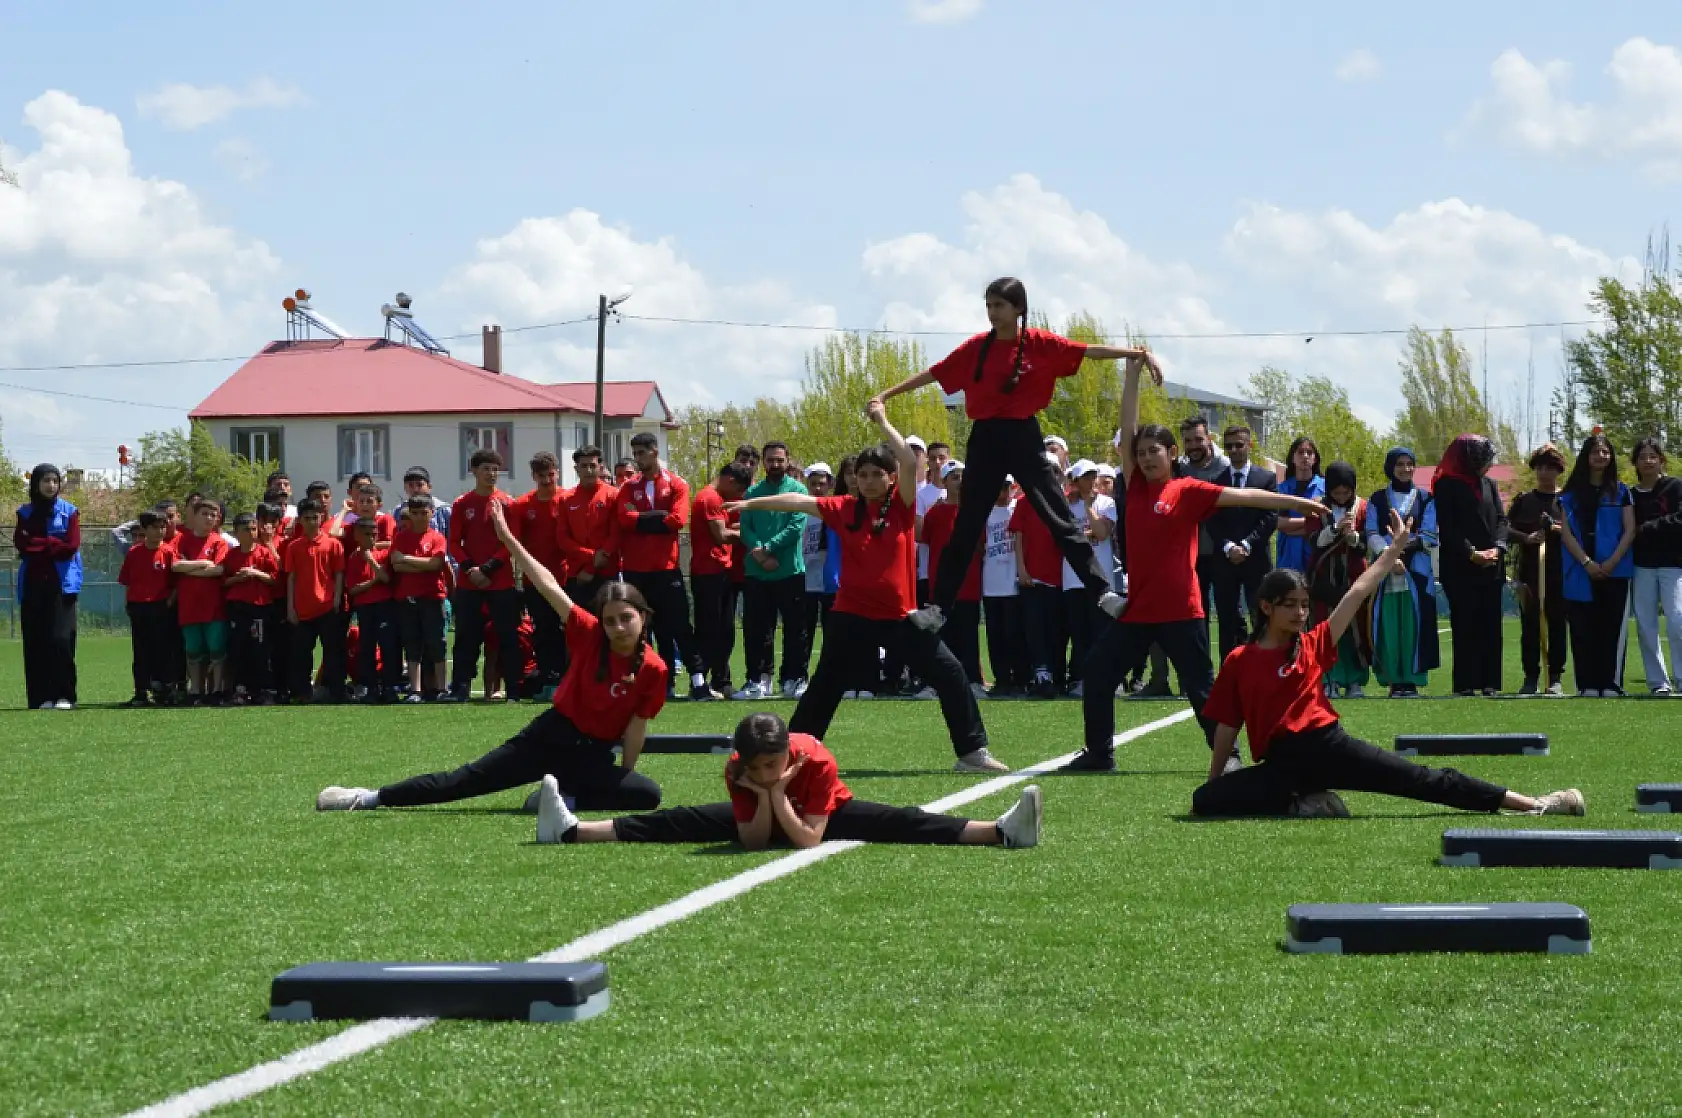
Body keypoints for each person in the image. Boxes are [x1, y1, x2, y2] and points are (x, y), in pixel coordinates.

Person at [1190, 509, 1585, 819]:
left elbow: (1358, 591)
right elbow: (1227, 726)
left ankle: (1535, 803)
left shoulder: (1314, 643)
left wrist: (1394, 549)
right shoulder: (1240, 660)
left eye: (1305, 605)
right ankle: (1305, 802)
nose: (1300, 614)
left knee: (1424, 780)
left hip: (1329, 748)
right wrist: (1213, 786)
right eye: (1289, 606)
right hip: (1283, 765)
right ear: (1266, 607)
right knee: (1203, 801)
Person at [1065, 358, 1329, 772]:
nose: (1148, 458)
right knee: (1099, 671)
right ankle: (1099, 754)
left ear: (1172, 454)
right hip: (1140, 611)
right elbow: (1127, 419)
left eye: (1156, 451)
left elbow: (1249, 499)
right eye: (1141, 453)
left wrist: (1301, 503)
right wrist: (1132, 372)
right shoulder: (1132, 485)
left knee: (1202, 690)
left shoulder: (1186, 489)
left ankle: (1232, 760)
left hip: (1182, 611)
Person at [317, 500, 665, 814]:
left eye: (626, 618)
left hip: (593, 755)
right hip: (552, 735)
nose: (618, 627)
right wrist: (510, 541)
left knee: (647, 795)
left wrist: (623, 777)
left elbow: (636, 728)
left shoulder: (654, 668)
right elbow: (546, 584)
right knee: (464, 781)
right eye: (610, 620)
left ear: (643, 617)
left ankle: (561, 797)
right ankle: (369, 797)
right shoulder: (589, 632)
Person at [730, 401, 1009, 774]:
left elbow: (910, 463)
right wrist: (751, 505)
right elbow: (798, 500)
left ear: (891, 478)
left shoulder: (902, 508)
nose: (868, 481)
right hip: (851, 615)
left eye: (877, 474)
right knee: (825, 686)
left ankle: (972, 753)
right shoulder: (844, 507)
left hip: (899, 617)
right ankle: (790, 753)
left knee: (951, 673)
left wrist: (882, 421)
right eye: (862, 475)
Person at [872, 278, 1152, 637]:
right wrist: (886, 395)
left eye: (999, 306)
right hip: (986, 438)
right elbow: (934, 373)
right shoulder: (977, 348)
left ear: (1018, 308)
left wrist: (1133, 354)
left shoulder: (1039, 343)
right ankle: (938, 609)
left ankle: (1103, 593)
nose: (992, 312)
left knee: (1060, 518)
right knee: (966, 526)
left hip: (1024, 435)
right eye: (988, 305)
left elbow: (1086, 351)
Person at [532, 712, 1042, 849]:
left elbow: (809, 839)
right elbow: (755, 841)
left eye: (773, 766)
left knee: (903, 821)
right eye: (757, 767)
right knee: (676, 821)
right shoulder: (739, 771)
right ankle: (572, 830)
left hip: (826, 814)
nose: (766, 772)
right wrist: (766, 791)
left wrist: (775, 791)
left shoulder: (815, 759)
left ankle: (1000, 831)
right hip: (767, 813)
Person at [615, 432, 699, 692]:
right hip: (635, 571)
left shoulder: (676, 484)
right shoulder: (629, 487)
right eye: (635, 453)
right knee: (641, 629)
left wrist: (641, 520)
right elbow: (624, 519)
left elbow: (677, 520)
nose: (638, 458)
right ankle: (658, 682)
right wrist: (657, 518)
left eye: (642, 452)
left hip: (666, 569)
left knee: (678, 625)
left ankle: (698, 680)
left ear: (654, 451)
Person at [1559, 432, 1636, 697]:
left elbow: (1629, 530)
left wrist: (1613, 561)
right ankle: (1587, 684)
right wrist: (1587, 562)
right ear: (1586, 457)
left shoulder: (1622, 491)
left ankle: (1610, 683)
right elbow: (1566, 533)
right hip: (1579, 571)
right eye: (1595, 452)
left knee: (1612, 627)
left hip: (1616, 570)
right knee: (1582, 628)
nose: (1601, 456)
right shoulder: (1569, 495)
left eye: (1605, 452)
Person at [1433, 434, 1509, 695]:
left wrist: (1498, 548)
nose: (1488, 464)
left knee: (1490, 625)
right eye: (1483, 459)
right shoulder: (1446, 486)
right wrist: (1472, 553)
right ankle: (1465, 684)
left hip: (1492, 566)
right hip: (1460, 567)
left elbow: (1501, 519)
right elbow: (1449, 527)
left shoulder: (1490, 484)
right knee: (1465, 625)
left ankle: (1490, 683)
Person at [446, 449, 521, 702]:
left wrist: (487, 569)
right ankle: (460, 689)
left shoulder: (507, 503)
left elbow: (510, 543)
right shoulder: (462, 504)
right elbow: (454, 542)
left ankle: (514, 690)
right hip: (470, 583)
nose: (491, 473)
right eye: (486, 468)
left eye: (495, 469)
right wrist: (470, 569)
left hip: (500, 582)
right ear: (474, 471)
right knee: (466, 637)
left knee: (508, 636)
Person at [1366, 447, 1440, 698]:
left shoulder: (1426, 498)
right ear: (1390, 467)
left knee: (1412, 626)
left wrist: (1400, 550)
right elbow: (1372, 533)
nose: (1406, 469)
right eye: (1400, 464)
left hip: (1416, 573)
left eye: (1410, 464)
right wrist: (1389, 556)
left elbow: (1429, 535)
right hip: (1385, 574)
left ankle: (1410, 680)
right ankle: (1393, 680)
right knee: (1388, 625)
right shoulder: (1377, 499)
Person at [739, 440, 809, 700]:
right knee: (757, 630)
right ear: (764, 462)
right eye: (770, 460)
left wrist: (766, 548)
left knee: (795, 630)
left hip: (790, 571)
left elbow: (795, 527)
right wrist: (759, 552)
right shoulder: (752, 493)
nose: (775, 464)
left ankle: (794, 679)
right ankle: (758, 680)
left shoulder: (798, 491)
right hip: (757, 572)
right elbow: (745, 526)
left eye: (780, 459)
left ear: (787, 460)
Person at [13, 464, 81, 710]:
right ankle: (41, 697)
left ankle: (65, 695)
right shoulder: (25, 512)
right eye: (45, 481)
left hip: (62, 585)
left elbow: (71, 546)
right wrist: (53, 543)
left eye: (54, 481)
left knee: (60, 640)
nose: (51, 485)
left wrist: (41, 544)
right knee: (36, 641)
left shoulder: (70, 512)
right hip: (32, 584)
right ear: (36, 484)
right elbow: (22, 543)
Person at [1207, 426, 1277, 659]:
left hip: (1256, 559)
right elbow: (1211, 520)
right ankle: (1231, 672)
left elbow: (1270, 518)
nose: (1235, 450)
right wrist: (1228, 547)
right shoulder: (1216, 481)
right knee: (1227, 619)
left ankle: (1266, 665)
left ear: (1250, 445)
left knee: (1262, 615)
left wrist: (1247, 545)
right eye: (1229, 446)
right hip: (1225, 561)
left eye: (1239, 445)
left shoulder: (1266, 478)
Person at [1506, 445, 1567, 695]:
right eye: (1540, 467)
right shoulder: (1524, 500)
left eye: (1549, 467)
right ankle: (1530, 677)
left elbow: (1578, 532)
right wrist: (1526, 537)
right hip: (1530, 573)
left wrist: (1556, 528)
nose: (1544, 472)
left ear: (1558, 470)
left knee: (1557, 625)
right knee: (1530, 626)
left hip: (1559, 572)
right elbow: (1504, 530)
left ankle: (1555, 678)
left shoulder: (1566, 500)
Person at [921, 460, 986, 694]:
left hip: (968, 584)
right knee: (941, 638)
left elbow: (983, 546)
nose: (960, 481)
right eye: (955, 477)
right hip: (942, 586)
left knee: (969, 637)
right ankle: (937, 683)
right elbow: (925, 540)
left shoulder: (975, 512)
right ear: (944, 481)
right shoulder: (935, 513)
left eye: (963, 476)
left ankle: (973, 682)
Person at [690, 462, 752, 701]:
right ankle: (700, 684)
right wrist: (752, 534)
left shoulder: (714, 498)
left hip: (719, 571)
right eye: (740, 490)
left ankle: (718, 681)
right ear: (730, 481)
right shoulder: (710, 498)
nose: (739, 497)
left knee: (724, 629)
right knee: (709, 630)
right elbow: (721, 535)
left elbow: (726, 528)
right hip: (708, 573)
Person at [1309, 462, 1371, 699]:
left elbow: (1365, 544)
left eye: (1347, 492)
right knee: (1324, 628)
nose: (1342, 497)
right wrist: (1335, 529)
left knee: (1354, 628)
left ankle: (1355, 681)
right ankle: (1327, 680)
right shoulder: (1317, 507)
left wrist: (1353, 536)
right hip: (1323, 579)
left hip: (1354, 578)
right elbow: (1313, 540)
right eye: (1337, 492)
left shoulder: (1363, 507)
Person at [1011, 454, 1069, 697]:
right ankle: (1041, 674)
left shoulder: (1065, 501)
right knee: (1034, 630)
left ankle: (1058, 674)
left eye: (1055, 471)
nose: (1050, 476)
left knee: (1057, 630)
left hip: (1060, 578)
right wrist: (1022, 569)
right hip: (1032, 578)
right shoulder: (1025, 501)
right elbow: (1018, 536)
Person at [512, 451, 569, 689]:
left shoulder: (568, 499)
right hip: (534, 581)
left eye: (551, 475)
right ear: (534, 476)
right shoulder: (523, 505)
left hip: (566, 577)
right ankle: (548, 678)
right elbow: (515, 543)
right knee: (543, 630)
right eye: (541, 476)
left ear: (557, 473)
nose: (547, 480)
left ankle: (569, 678)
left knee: (569, 629)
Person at [1630, 437, 1682, 695]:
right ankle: (1658, 682)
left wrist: (1646, 529)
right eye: (1642, 457)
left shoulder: (1675, 487)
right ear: (1635, 463)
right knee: (1645, 625)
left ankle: (1681, 678)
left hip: (1674, 565)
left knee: (1677, 620)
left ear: (1661, 460)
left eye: (1653, 456)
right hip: (1642, 566)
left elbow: (1679, 520)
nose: (1648, 461)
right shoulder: (1629, 495)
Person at [1062, 459, 1118, 698]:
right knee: (1080, 633)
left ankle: (1106, 679)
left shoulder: (1107, 503)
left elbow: (1102, 532)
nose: (1091, 480)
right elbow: (1063, 537)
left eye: (1093, 475)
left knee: (1102, 632)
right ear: (1075, 481)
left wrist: (1087, 506)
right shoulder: (1064, 505)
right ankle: (1080, 679)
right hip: (1073, 578)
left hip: (1101, 579)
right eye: (1085, 476)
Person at [389, 494, 452, 702]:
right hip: (407, 597)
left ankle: (441, 689)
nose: (419, 517)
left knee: (436, 643)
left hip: (432, 596)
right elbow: (395, 565)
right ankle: (415, 690)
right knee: (412, 643)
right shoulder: (400, 537)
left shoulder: (437, 537)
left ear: (432, 513)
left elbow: (436, 564)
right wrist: (422, 564)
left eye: (424, 513)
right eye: (415, 513)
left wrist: (407, 559)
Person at [167, 498, 230, 703]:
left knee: (216, 649)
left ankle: (217, 690)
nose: (209, 518)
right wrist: (203, 563)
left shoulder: (219, 542)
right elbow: (175, 565)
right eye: (204, 514)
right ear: (194, 516)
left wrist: (189, 570)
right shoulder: (181, 540)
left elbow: (219, 569)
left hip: (214, 607)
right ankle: (195, 690)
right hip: (189, 606)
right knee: (193, 650)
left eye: (213, 515)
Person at [285, 498, 347, 703]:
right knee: (301, 654)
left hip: (328, 605)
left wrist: (337, 597)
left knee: (333, 652)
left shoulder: (333, 544)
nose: (312, 521)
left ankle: (335, 692)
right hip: (302, 608)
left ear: (321, 517)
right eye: (307, 518)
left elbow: (338, 574)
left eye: (315, 517)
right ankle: (302, 693)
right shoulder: (294, 547)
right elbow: (291, 577)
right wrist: (290, 607)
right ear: (300, 520)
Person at [117, 509, 174, 706]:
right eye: (155, 527)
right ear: (145, 529)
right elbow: (127, 581)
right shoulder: (134, 552)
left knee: (162, 649)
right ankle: (141, 691)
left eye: (163, 527)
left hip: (160, 606)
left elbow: (176, 582)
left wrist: (169, 601)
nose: (160, 531)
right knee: (140, 650)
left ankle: (163, 690)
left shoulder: (168, 552)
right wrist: (129, 604)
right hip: (138, 607)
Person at [224, 511, 280, 704]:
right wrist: (238, 578)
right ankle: (241, 690)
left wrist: (255, 572)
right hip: (238, 607)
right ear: (236, 532)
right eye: (246, 530)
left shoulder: (264, 552)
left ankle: (263, 690)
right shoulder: (231, 555)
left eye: (253, 529)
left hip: (260, 607)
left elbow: (274, 579)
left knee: (261, 649)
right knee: (239, 648)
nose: (251, 533)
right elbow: (224, 581)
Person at [980, 477, 1029, 695]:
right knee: (995, 634)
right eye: (998, 487)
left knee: (1014, 634)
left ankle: (1020, 678)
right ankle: (1002, 680)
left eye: (1006, 487)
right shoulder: (985, 512)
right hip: (991, 582)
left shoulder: (1016, 508)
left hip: (1013, 583)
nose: (1002, 492)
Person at [345, 517, 402, 702]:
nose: (371, 538)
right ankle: (370, 688)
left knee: (388, 646)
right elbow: (353, 589)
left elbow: (385, 578)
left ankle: (389, 687)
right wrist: (372, 582)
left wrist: (371, 561)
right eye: (367, 534)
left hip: (385, 604)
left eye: (374, 534)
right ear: (357, 536)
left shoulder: (383, 554)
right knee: (366, 647)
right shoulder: (353, 558)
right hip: (365, 607)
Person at [555, 445, 620, 604]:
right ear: (576, 468)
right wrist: (591, 556)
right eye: (584, 466)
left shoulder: (613, 495)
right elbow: (563, 538)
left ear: (601, 467)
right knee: (580, 624)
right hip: (577, 575)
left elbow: (616, 534)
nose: (589, 470)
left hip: (607, 572)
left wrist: (591, 567)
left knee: (607, 621)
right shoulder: (566, 499)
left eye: (593, 465)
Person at [797, 462, 839, 687]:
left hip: (830, 579)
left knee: (832, 631)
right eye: (813, 484)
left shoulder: (835, 510)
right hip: (807, 578)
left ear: (830, 484)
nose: (817, 488)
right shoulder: (804, 510)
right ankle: (801, 677)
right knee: (805, 631)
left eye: (822, 484)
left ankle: (830, 678)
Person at [1274, 437, 1324, 574]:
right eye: (1300, 452)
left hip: (1317, 556)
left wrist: (1292, 527)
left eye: (1309, 452)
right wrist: (1310, 522)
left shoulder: (1325, 488)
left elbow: (1326, 524)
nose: (1305, 456)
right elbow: (1278, 523)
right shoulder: (1282, 489)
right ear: (1292, 458)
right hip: (1287, 556)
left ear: (1315, 459)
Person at [914, 440, 951, 606]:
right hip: (928, 570)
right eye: (933, 458)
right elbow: (919, 534)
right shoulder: (921, 495)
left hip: (954, 567)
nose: (937, 463)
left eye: (941, 458)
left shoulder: (959, 492)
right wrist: (935, 512)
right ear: (927, 461)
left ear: (949, 460)